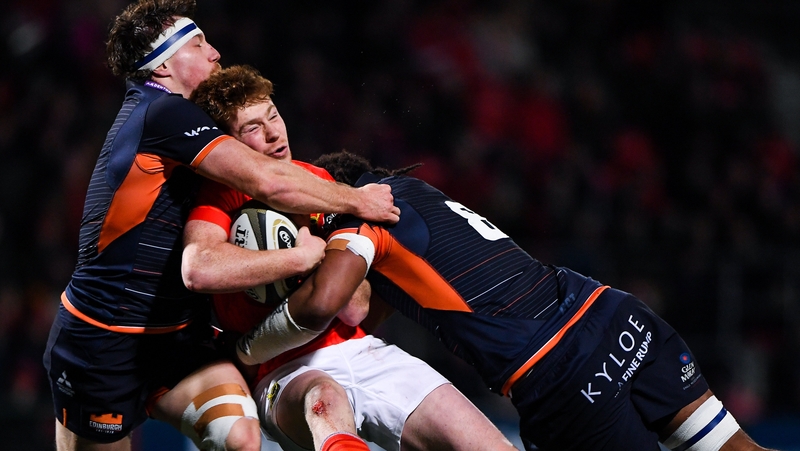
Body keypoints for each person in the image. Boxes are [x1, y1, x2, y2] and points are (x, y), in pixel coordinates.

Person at [235, 150, 780, 451]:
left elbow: (328, 305)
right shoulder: (418, 193)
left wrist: (249, 347)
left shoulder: (363, 217)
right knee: (734, 448)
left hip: (561, 372)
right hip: (617, 315)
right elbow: (375, 306)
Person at [42, 1, 399, 450]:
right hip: (105, 341)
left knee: (242, 439)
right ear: (163, 66)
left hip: (178, 337)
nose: (214, 52)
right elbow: (268, 180)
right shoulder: (162, 113)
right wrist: (357, 200)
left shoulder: (177, 117)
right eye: (198, 44)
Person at [184, 64, 519, 451]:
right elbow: (199, 267)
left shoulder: (320, 182)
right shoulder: (220, 194)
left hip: (363, 351)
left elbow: (355, 306)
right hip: (283, 373)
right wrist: (300, 259)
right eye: (253, 128)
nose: (273, 133)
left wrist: (318, 257)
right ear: (228, 144)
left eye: (273, 116)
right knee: (325, 399)